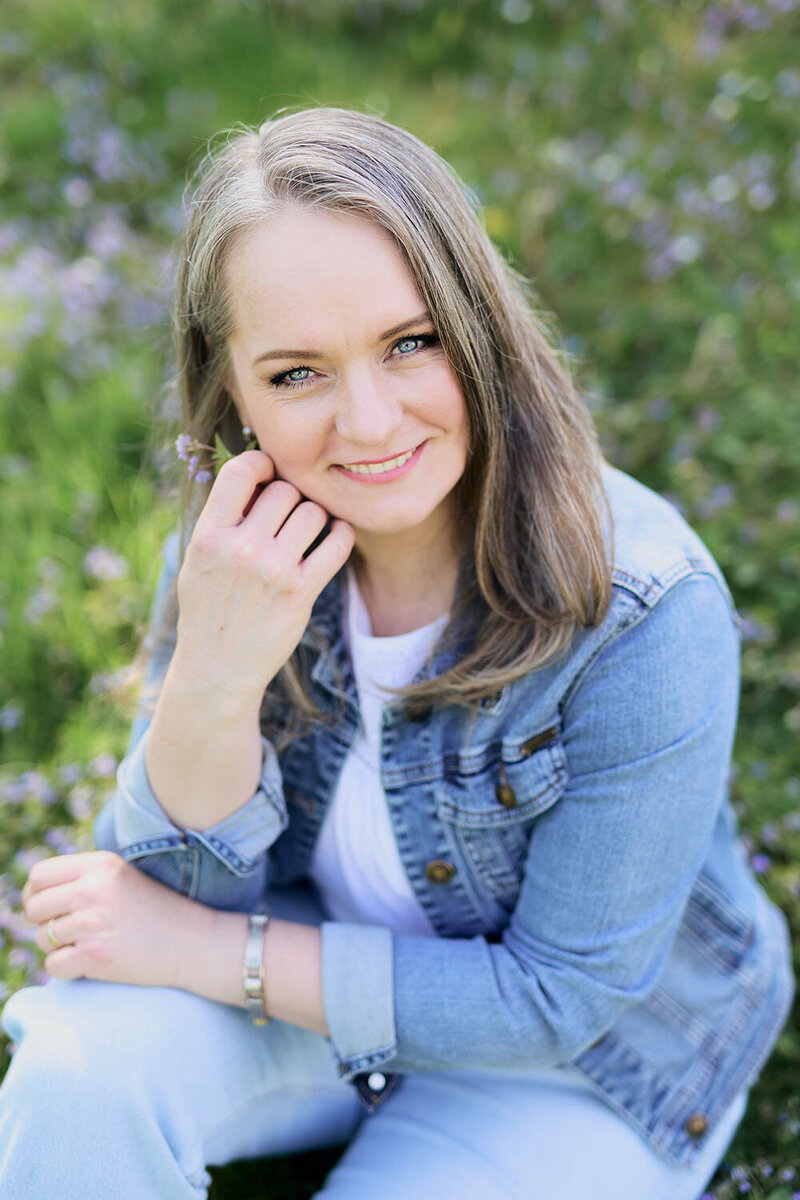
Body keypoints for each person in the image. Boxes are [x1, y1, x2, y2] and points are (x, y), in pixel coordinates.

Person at [0, 107, 793, 1200]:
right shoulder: (245, 545)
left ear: (478, 325)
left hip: (582, 1066)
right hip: (316, 970)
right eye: (295, 374)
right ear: (231, 388)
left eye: (408, 343)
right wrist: (213, 684)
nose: (367, 424)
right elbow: (162, 895)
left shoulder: (643, 607)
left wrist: (199, 957)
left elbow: (554, 1000)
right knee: (76, 1081)